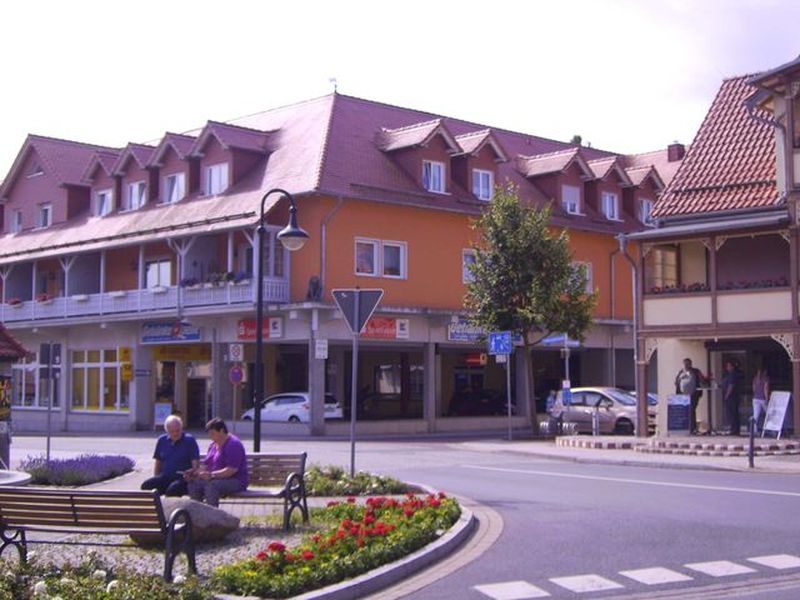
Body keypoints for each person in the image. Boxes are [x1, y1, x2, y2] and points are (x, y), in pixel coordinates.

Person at [186, 418, 248, 507]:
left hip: (235, 481)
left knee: (212, 486)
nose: (210, 436)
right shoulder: (213, 445)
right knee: (193, 484)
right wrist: (194, 473)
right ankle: (198, 514)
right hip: (216, 479)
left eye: (212, 433)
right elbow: (205, 465)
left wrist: (212, 475)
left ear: (222, 431)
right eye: (209, 434)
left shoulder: (234, 444)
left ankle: (213, 516)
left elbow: (231, 470)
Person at [141, 414, 199, 496]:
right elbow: (158, 462)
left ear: (181, 428)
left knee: (172, 490)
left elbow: (195, 464)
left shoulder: (189, 440)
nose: (175, 434)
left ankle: (168, 507)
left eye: (177, 430)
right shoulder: (162, 440)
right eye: (172, 431)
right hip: (165, 476)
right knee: (146, 486)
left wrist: (192, 472)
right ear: (167, 431)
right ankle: (154, 507)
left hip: (182, 478)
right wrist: (156, 477)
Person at [674, 358, 707, 434]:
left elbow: (702, 380)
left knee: (691, 410)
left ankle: (692, 428)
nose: (687, 365)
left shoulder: (696, 371)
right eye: (685, 364)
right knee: (684, 411)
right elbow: (676, 382)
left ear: (691, 364)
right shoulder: (680, 372)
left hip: (694, 394)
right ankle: (684, 428)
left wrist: (704, 382)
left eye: (688, 364)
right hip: (682, 396)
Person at [721, 360, 741, 436]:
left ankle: (734, 430)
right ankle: (733, 429)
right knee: (731, 414)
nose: (727, 367)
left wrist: (727, 395)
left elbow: (731, 386)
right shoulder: (728, 375)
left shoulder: (733, 375)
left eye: (729, 366)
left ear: (732, 367)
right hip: (730, 397)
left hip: (732, 397)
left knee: (733, 414)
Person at [751, 365, 770, 434]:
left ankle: (754, 430)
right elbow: (766, 389)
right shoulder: (765, 379)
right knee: (768, 414)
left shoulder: (755, 378)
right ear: (765, 371)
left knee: (755, 415)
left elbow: (753, 388)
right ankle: (770, 428)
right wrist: (767, 398)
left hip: (755, 398)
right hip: (763, 398)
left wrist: (756, 394)